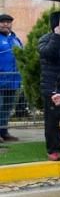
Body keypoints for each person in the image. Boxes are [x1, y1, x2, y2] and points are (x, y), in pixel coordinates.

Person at [39, 11, 60, 160]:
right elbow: (48, 54)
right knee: (52, 122)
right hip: (52, 86)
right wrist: (56, 36)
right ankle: (53, 150)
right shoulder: (46, 39)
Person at [0, 13, 23, 143]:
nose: (6, 24)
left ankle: (4, 132)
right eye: (2, 22)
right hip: (0, 79)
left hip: (13, 81)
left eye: (8, 22)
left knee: (7, 108)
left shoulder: (15, 39)